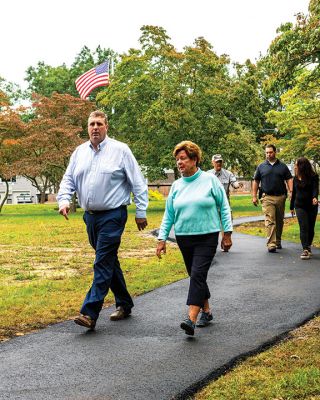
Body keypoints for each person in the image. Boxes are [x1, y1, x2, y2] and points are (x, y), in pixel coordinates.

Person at [57, 110, 148, 330]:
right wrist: (63, 200)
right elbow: (68, 179)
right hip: (90, 218)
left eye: (99, 123)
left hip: (113, 215)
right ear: (87, 127)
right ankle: (125, 303)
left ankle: (89, 312)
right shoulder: (79, 152)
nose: (95, 127)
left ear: (106, 126)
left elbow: (137, 181)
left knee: (102, 261)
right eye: (91, 124)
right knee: (108, 260)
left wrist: (141, 211)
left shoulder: (121, 150)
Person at [156, 141, 232, 336]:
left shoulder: (209, 180)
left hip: (207, 236)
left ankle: (191, 318)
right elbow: (169, 214)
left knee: (197, 275)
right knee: (196, 275)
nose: (179, 163)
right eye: (177, 159)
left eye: (183, 159)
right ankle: (206, 311)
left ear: (194, 159)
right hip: (184, 237)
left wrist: (227, 233)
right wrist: (162, 239)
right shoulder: (176, 185)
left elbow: (223, 206)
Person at [252, 144, 293, 253]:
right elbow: (256, 181)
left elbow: (289, 179)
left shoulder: (283, 166)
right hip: (267, 197)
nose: (268, 154)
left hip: (280, 197)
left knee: (279, 221)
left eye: (270, 152)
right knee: (270, 220)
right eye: (266, 152)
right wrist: (254, 196)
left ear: (275, 152)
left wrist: (291, 191)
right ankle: (271, 244)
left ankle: (278, 241)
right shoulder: (261, 166)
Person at [208, 154, 243, 251]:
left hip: (224, 205)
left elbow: (234, 182)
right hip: (211, 206)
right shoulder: (207, 175)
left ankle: (225, 242)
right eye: (216, 161)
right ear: (212, 162)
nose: (218, 163)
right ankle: (211, 246)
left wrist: (237, 185)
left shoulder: (228, 173)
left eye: (220, 161)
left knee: (227, 226)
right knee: (212, 227)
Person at [290, 157, 319, 260]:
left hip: (311, 206)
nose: (295, 166)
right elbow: (294, 193)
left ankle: (308, 246)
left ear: (302, 166)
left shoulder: (314, 176)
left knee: (311, 228)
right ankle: (305, 249)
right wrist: (291, 207)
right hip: (299, 206)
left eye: (296, 164)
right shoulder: (295, 178)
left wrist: (315, 197)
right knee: (304, 226)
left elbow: (315, 188)